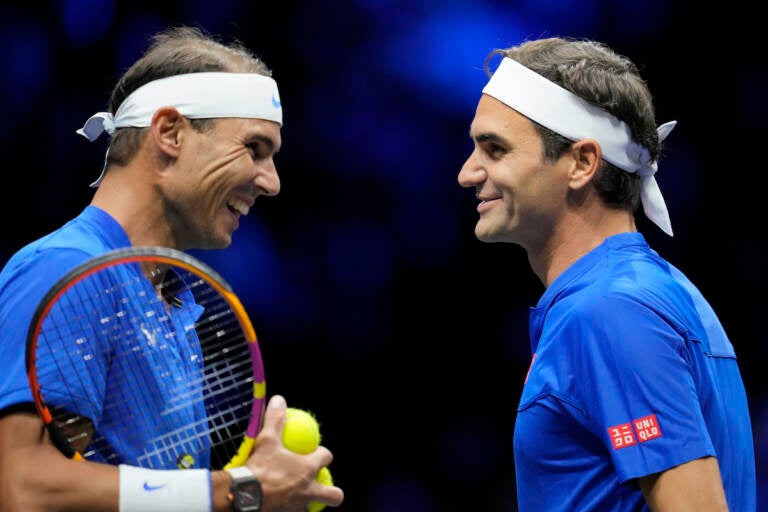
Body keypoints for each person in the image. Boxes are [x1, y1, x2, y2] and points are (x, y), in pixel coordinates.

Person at [0, 26, 344, 512]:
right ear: (170, 133)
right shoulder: (65, 269)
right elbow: (21, 485)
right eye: (254, 148)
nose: (272, 182)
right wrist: (239, 489)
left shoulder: (171, 299)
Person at [458, 37, 755, 511]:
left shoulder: (610, 310)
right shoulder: (659, 291)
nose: (467, 173)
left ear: (582, 163)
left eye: (495, 149)